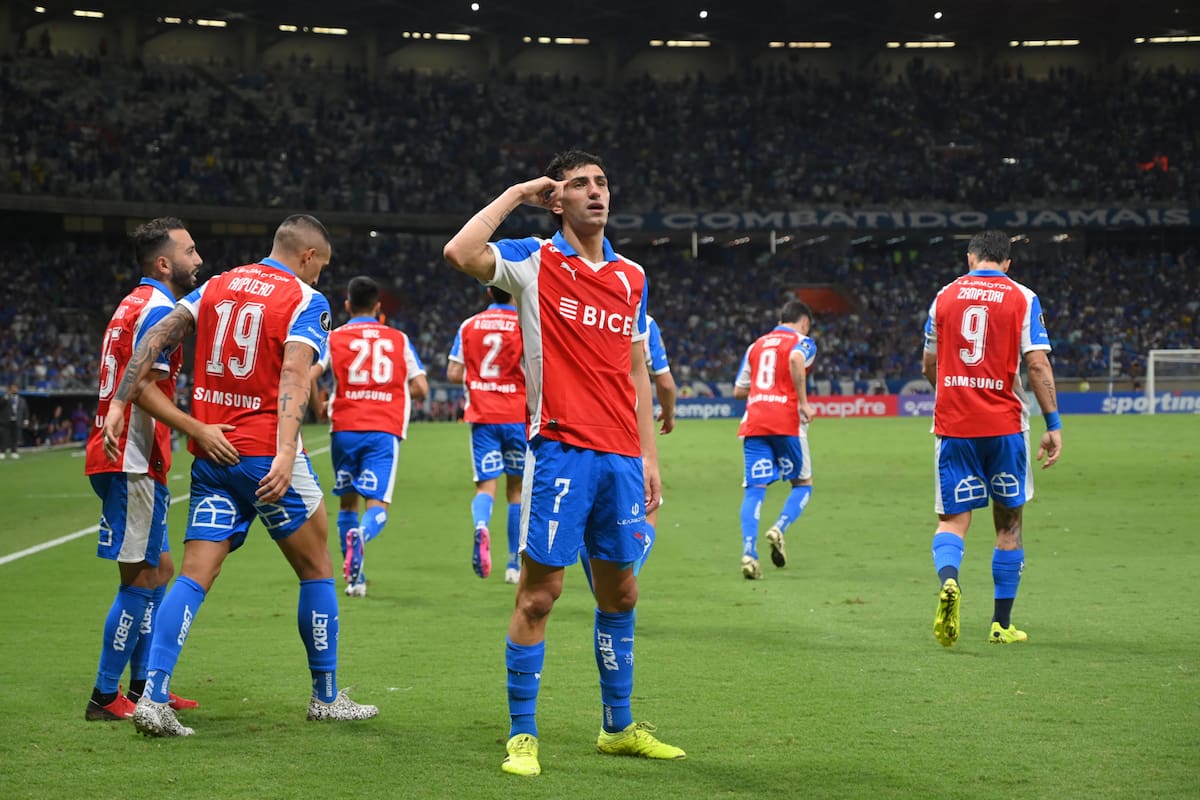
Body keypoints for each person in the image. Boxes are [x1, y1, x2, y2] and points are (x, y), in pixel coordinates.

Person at [444, 149, 685, 777]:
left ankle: (618, 726)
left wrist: (650, 456)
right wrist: (521, 191)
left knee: (622, 592)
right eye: (579, 185)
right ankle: (522, 735)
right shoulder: (532, 261)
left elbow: (634, 370)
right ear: (559, 201)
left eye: (602, 182)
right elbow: (461, 252)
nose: (596, 193)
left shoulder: (632, 276)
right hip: (559, 452)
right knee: (539, 597)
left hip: (621, 460)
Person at [102, 214, 378, 736]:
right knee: (318, 569)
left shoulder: (217, 285)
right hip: (263, 455)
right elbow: (296, 373)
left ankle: (152, 697)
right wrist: (285, 449)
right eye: (323, 265)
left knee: (192, 576)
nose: (321, 276)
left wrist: (119, 402)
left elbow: (155, 337)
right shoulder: (304, 299)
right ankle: (324, 697)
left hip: (212, 453)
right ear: (308, 257)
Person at [83, 217, 238, 722]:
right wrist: (198, 429)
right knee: (143, 579)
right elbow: (144, 388)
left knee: (161, 569)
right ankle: (107, 697)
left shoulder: (132, 302)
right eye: (190, 251)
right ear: (164, 262)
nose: (199, 259)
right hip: (130, 456)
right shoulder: (158, 310)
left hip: (130, 455)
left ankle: (147, 685)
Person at [922, 229, 1062, 647]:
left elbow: (929, 363)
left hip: (954, 426)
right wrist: (1053, 424)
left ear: (970, 258)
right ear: (1006, 263)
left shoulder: (943, 296)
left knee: (952, 520)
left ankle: (950, 582)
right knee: (1009, 524)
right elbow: (1036, 366)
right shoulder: (1023, 296)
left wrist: (953, 394)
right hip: (1005, 427)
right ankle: (1001, 625)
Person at [310, 276, 428, 598]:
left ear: (347, 305)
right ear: (378, 307)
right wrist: (390, 390)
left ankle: (355, 581)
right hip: (383, 430)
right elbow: (421, 388)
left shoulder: (334, 337)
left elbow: (310, 372)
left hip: (344, 428)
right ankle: (362, 534)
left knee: (347, 502)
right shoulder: (399, 339)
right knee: (377, 506)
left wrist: (318, 404)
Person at [732, 301, 818, 580]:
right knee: (803, 484)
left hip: (755, 421)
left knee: (754, 489)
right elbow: (795, 359)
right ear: (804, 322)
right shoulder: (803, 341)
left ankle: (748, 553)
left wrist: (764, 392)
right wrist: (803, 403)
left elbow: (738, 391)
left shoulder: (756, 345)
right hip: (787, 422)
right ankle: (779, 527)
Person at [446, 286, 526, 584]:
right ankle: (512, 566)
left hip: (482, 416)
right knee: (516, 492)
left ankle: (481, 525)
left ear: (490, 292)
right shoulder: (525, 323)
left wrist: (481, 379)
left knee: (485, 487)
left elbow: (454, 373)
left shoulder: (470, 325)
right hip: (517, 416)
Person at [1, 383, 30, 459]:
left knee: (15, 437)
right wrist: (7, 396)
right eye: (13, 388)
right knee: (4, 437)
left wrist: (26, 420)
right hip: (6, 421)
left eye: (16, 388)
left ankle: (14, 452)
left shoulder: (22, 400)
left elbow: (25, 411)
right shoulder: (5, 397)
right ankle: (2, 452)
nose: (14, 389)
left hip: (17, 421)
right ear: (10, 389)